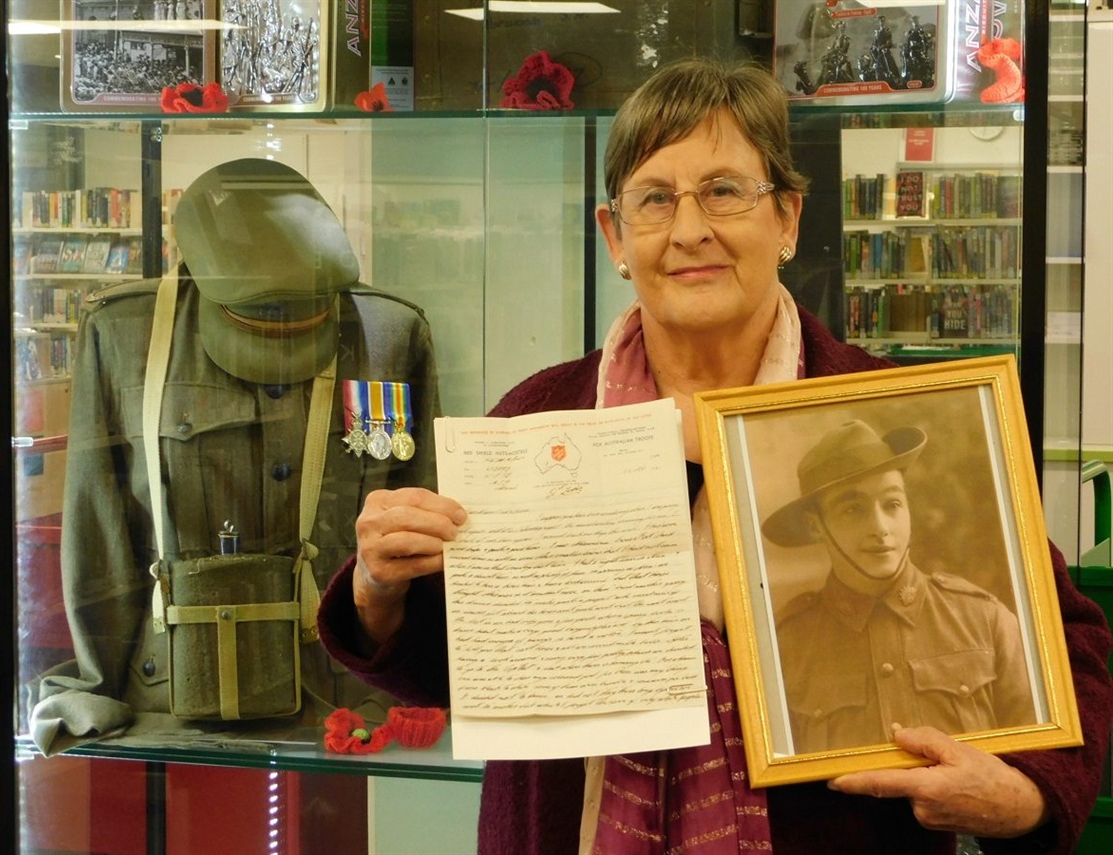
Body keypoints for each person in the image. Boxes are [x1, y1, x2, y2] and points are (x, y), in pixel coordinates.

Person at [318, 58, 1113, 854]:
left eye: (725, 191)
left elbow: (1069, 643)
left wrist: (1027, 793)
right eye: (655, 199)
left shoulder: (874, 409)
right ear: (615, 236)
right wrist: (379, 587)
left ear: (789, 219)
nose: (690, 228)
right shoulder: (539, 418)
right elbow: (464, 670)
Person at [29, 158, 440, 755]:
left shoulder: (389, 335)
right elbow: (100, 528)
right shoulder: (124, 335)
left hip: (346, 701)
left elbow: (419, 522)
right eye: (264, 315)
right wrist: (99, 682)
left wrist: (415, 674)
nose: (281, 329)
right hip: (174, 699)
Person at [762, 419, 1035, 754]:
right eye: (853, 509)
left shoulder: (985, 619)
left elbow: (1037, 761)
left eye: (892, 504)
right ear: (815, 526)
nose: (880, 528)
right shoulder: (784, 644)